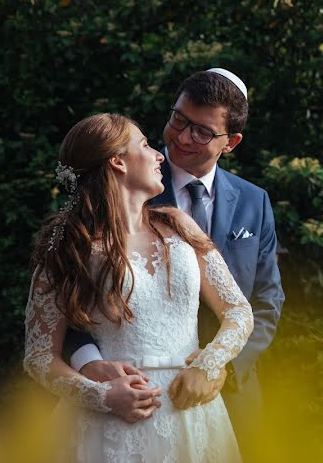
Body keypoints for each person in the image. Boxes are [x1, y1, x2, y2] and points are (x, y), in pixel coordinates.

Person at [64, 68, 285, 434]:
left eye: (201, 132)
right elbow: (67, 298)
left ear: (231, 142)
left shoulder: (254, 202)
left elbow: (266, 300)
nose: (182, 137)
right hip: (128, 394)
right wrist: (91, 366)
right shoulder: (120, 183)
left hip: (231, 395)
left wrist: (219, 367)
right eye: (178, 120)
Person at [24, 113, 253, 461]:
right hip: (111, 423)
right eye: (145, 145)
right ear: (117, 161)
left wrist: (208, 363)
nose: (159, 154)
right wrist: (101, 397)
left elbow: (238, 310)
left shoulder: (179, 226)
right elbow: (40, 356)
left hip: (191, 415)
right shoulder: (69, 245)